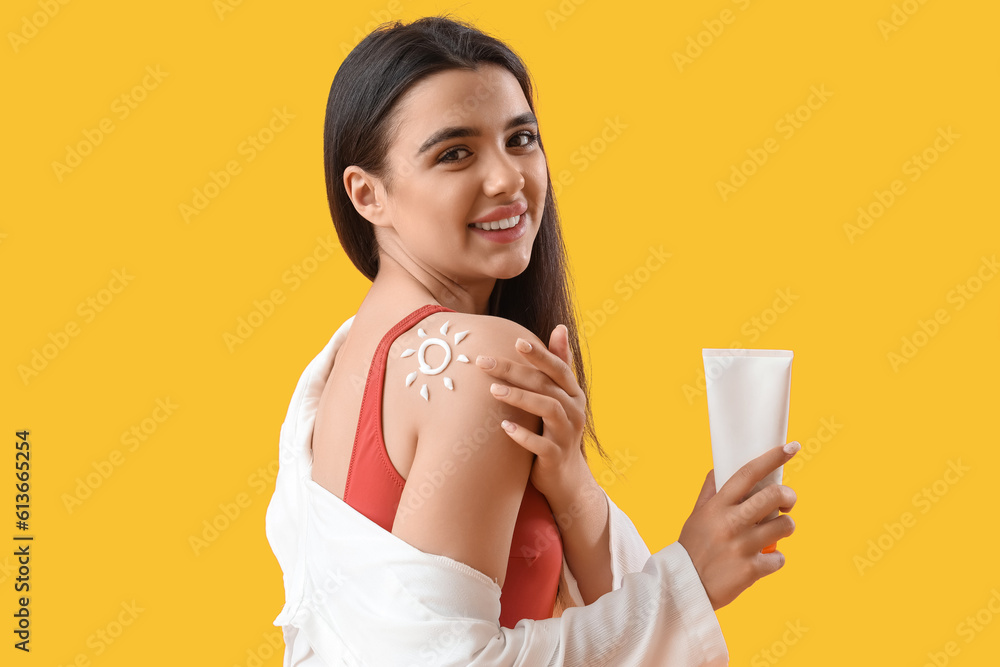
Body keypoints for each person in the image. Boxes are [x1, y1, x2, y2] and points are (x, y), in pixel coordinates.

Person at [265, 14, 799, 665]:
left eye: (521, 139)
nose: (507, 178)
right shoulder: (479, 360)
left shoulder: (351, 352)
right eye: (455, 152)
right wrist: (689, 581)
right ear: (367, 194)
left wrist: (570, 483)